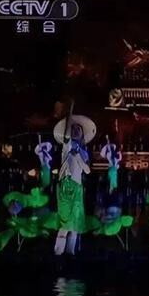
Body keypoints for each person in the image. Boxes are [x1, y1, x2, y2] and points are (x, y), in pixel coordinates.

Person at [53, 106, 96, 256]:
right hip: (65, 186)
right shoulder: (67, 146)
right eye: (74, 128)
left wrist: (78, 156)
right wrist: (69, 112)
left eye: (79, 129)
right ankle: (58, 253)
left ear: (82, 133)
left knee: (75, 224)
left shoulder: (84, 152)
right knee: (64, 223)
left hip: (77, 187)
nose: (76, 131)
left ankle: (70, 254)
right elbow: (66, 135)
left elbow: (87, 170)